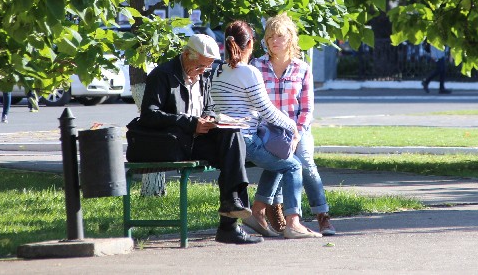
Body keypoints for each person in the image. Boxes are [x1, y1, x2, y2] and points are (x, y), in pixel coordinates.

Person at [128, 34, 261, 245]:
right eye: (200, 66)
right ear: (186, 54)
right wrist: (191, 123)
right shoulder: (163, 75)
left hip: (195, 141)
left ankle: (232, 204)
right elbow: (149, 115)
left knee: (233, 136)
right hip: (172, 143)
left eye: (207, 67)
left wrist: (209, 118)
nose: (203, 71)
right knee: (231, 155)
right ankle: (229, 223)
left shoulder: (204, 75)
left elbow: (208, 106)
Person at [211, 20, 322, 239]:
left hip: (225, 141)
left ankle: (258, 211)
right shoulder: (249, 72)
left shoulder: (219, 71)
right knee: (293, 165)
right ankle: (293, 223)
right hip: (246, 140)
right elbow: (267, 110)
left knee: (279, 158)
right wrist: (293, 127)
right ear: (250, 44)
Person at [250, 13, 336, 236]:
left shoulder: (302, 68)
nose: (274, 41)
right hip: (267, 130)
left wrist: (296, 133)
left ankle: (322, 215)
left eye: (279, 36)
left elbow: (306, 109)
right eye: (270, 37)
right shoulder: (257, 66)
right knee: (282, 158)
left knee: (304, 160)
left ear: (290, 38)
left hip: (297, 128)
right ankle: (274, 212)